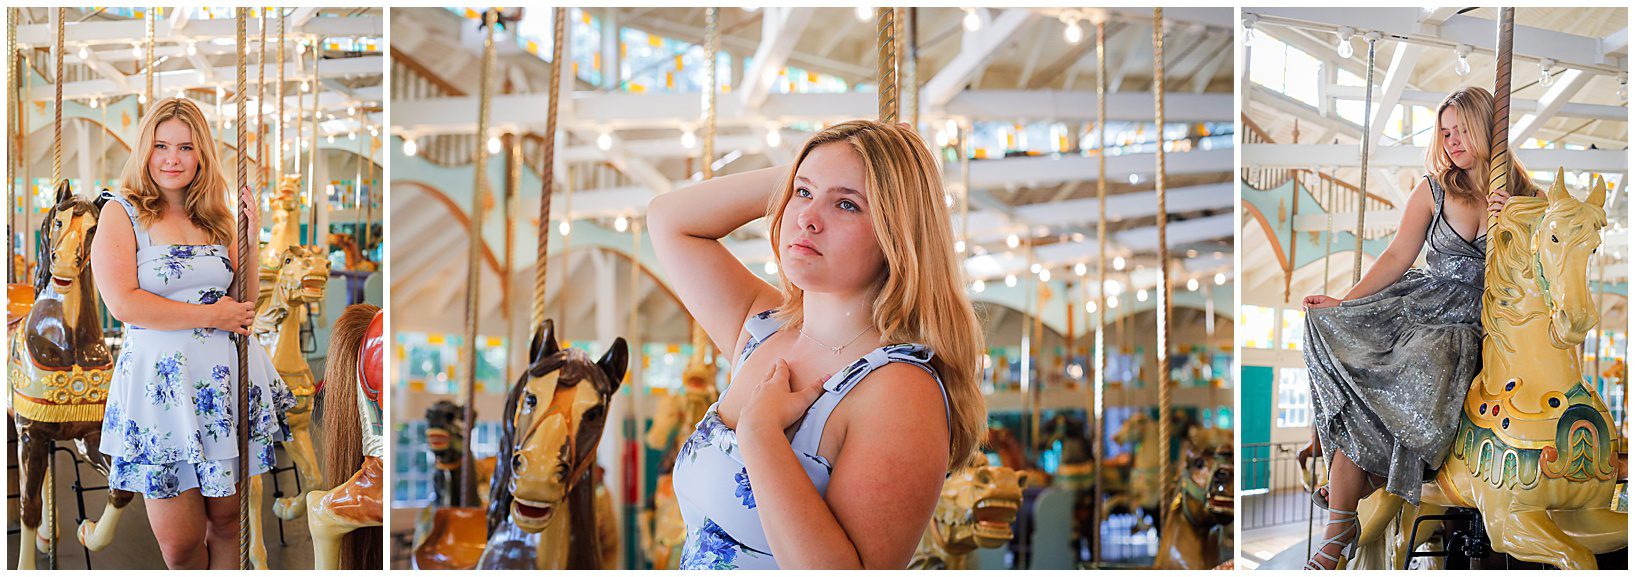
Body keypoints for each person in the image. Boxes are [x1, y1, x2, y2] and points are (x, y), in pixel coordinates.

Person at [647, 120, 985, 569]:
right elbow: (669, 219)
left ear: (896, 234)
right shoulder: (765, 329)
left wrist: (761, 436)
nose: (807, 217)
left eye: (846, 204)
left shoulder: (899, 391)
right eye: (802, 194)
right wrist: (819, 165)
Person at [1298, 86, 1540, 569]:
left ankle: (1358, 495)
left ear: (1486, 127)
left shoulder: (1529, 197)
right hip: (1421, 307)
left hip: (1483, 320)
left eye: (1460, 130)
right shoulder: (1434, 188)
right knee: (1329, 327)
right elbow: (1395, 256)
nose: (1450, 141)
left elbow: (1542, 274)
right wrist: (1344, 301)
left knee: (1434, 355)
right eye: (1444, 132)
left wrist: (1512, 226)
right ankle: (1342, 516)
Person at [89, 97, 295, 569]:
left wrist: (250, 232)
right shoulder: (122, 214)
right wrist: (210, 317)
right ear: (145, 151)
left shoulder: (214, 218)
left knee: (228, 525)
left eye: (185, 147)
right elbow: (124, 304)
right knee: (179, 544)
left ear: (201, 153)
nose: (172, 159)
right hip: (162, 390)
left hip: (220, 383)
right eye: (161, 146)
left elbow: (242, 299)